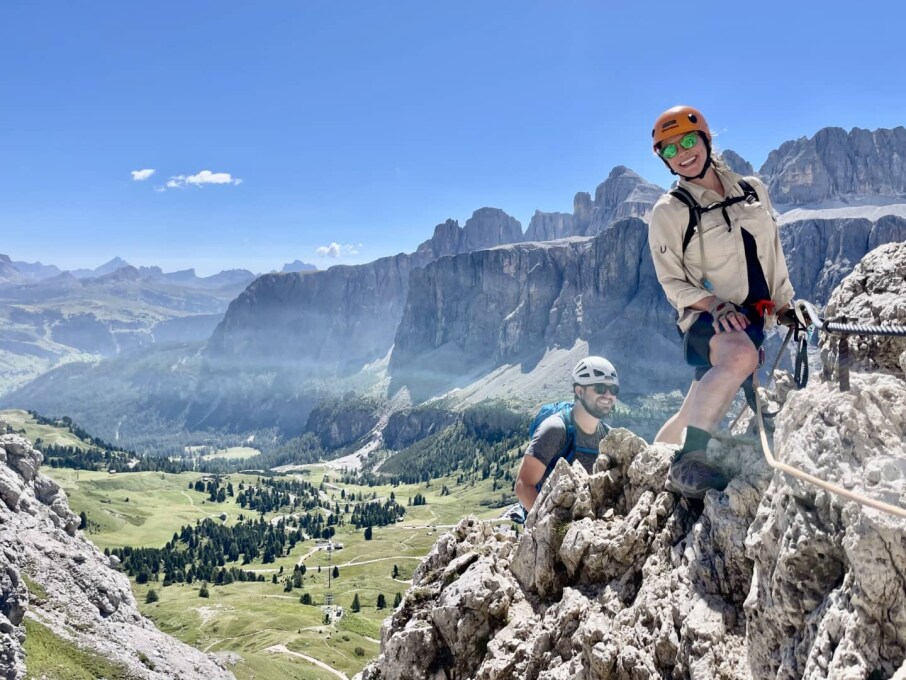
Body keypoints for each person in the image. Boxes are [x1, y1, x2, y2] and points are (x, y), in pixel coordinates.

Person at [647, 105, 795, 498]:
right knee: (739, 359)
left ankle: (649, 461)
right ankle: (689, 461)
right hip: (706, 319)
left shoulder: (751, 189)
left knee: (694, 406)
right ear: (663, 159)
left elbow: (772, 252)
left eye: (690, 141)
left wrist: (785, 304)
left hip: (752, 319)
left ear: (707, 139)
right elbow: (672, 282)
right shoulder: (670, 210)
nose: (683, 153)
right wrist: (713, 304)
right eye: (670, 150)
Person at [513, 356, 619, 512]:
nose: (608, 395)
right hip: (550, 524)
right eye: (600, 388)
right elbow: (523, 485)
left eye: (614, 389)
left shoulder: (608, 437)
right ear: (579, 390)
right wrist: (547, 529)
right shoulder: (555, 429)